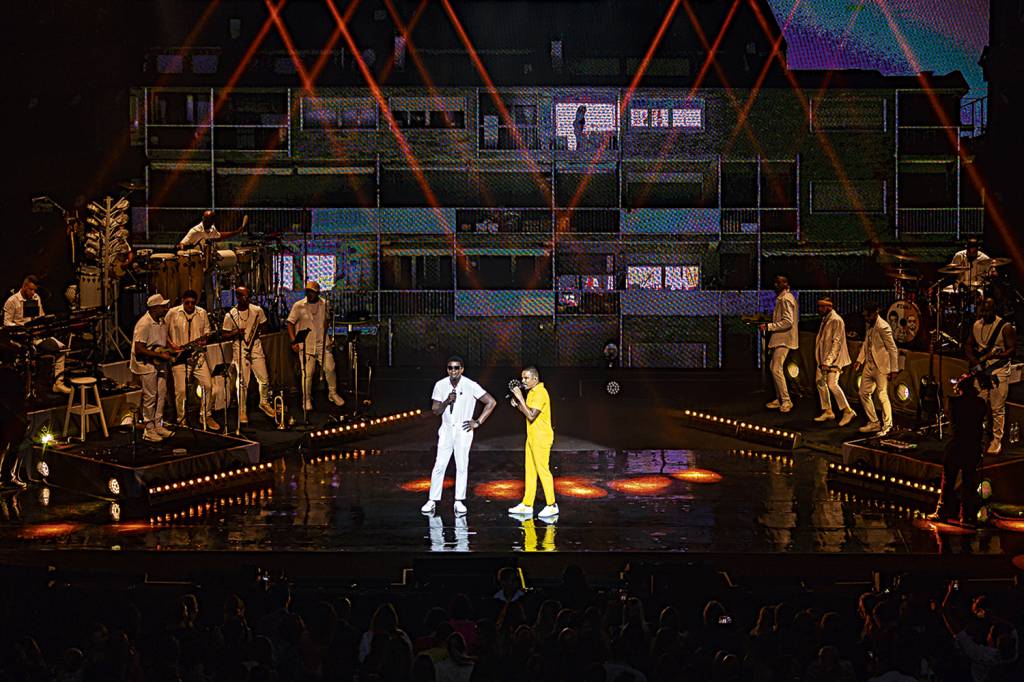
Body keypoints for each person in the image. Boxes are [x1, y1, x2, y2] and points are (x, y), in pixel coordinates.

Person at [421, 356, 496, 516]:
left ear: (462, 369)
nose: (453, 371)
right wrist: (447, 401)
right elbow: (435, 410)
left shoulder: (470, 385)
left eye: (456, 368)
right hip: (447, 430)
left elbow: (491, 402)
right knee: (440, 464)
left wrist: (478, 422)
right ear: (447, 369)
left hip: (463, 430)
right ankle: (432, 500)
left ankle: (459, 501)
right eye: (450, 368)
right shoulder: (440, 385)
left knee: (461, 465)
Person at [929, 373, 987, 524]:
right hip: (973, 446)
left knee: (948, 481)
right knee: (969, 481)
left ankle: (943, 512)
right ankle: (967, 515)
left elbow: (951, 417)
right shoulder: (981, 403)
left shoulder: (954, 402)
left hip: (957, 445)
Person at [3, 275, 72, 394]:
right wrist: (20, 328)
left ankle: (58, 383)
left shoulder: (36, 297)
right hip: (22, 337)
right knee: (31, 352)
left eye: (34, 289)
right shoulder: (12, 301)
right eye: (31, 289)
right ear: (24, 287)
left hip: (37, 334)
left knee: (62, 349)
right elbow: (6, 322)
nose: (33, 292)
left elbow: (41, 315)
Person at [966, 298, 1017, 455]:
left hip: (998, 371)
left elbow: (1012, 350)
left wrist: (996, 355)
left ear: (994, 309)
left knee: (997, 407)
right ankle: (978, 437)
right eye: (982, 310)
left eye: (988, 310)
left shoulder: (1005, 327)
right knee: (978, 404)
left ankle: (996, 440)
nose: (984, 313)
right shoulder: (976, 325)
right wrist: (974, 360)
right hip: (981, 370)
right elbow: (968, 344)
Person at [286, 281, 345, 412]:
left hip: (323, 343)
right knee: (308, 374)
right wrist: (293, 341)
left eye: (312, 292)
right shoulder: (298, 306)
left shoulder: (325, 304)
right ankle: (306, 399)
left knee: (330, 368)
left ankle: (333, 393)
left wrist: (327, 328)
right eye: (307, 291)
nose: (309, 294)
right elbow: (290, 323)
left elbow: (328, 319)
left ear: (317, 293)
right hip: (306, 345)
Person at [508, 366, 558, 519]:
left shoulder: (541, 393)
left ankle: (552, 504)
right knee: (530, 470)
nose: (523, 381)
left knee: (543, 470)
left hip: (542, 437)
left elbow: (530, 416)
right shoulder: (531, 393)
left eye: (526, 378)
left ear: (535, 379)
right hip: (532, 436)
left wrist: (520, 398)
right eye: (522, 378)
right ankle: (527, 504)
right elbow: (528, 410)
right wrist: (518, 404)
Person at [165, 290, 220, 430]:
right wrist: (172, 346)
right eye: (187, 302)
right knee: (181, 391)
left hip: (197, 356)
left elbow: (206, 332)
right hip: (180, 357)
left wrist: (203, 341)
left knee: (208, 385)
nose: (190, 305)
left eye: (192, 303)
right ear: (182, 301)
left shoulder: (201, 313)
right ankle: (181, 419)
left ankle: (205, 415)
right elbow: (162, 332)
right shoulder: (172, 313)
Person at [222, 286, 275, 425]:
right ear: (238, 297)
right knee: (242, 382)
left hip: (256, 347)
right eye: (244, 296)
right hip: (239, 348)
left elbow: (264, 325)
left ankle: (264, 402)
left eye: (248, 295)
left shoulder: (257, 310)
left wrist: (259, 332)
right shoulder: (230, 315)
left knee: (264, 378)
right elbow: (224, 334)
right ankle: (242, 410)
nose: (247, 298)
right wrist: (235, 333)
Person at [130, 294, 176, 442]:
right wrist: (160, 356)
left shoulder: (161, 322)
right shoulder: (144, 324)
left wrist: (171, 349)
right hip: (146, 364)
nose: (166, 308)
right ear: (155, 308)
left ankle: (158, 424)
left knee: (161, 393)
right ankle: (149, 429)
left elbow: (162, 341)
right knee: (150, 396)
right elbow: (139, 349)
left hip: (159, 362)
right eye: (163, 306)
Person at [854, 302, 900, 437]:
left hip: (881, 367)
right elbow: (866, 343)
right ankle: (874, 422)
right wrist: (859, 360)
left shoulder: (883, 326)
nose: (865, 318)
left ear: (875, 313)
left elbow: (892, 348)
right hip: (869, 365)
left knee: (882, 396)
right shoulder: (870, 325)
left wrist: (894, 369)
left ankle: (888, 426)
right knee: (863, 393)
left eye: (867, 315)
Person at [814, 297, 856, 425]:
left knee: (832, 383)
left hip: (833, 359)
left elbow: (836, 343)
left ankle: (848, 411)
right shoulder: (825, 320)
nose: (819, 309)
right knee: (820, 382)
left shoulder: (836, 320)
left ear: (829, 307)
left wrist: (828, 360)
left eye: (822, 306)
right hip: (823, 358)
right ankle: (828, 410)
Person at [759, 274, 798, 413]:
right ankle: (780, 398)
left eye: (779, 283)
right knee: (774, 367)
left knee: (776, 368)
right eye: (775, 283)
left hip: (784, 339)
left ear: (786, 284)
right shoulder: (782, 299)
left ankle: (786, 400)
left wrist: (770, 326)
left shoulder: (786, 299)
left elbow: (788, 321)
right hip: (781, 338)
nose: (776, 285)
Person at [176, 210, 245, 250]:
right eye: (206, 220)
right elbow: (182, 244)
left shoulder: (212, 228)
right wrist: (181, 247)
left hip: (209, 258)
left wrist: (236, 232)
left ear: (213, 221)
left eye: (210, 221)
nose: (208, 223)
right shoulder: (195, 231)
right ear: (203, 218)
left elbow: (220, 236)